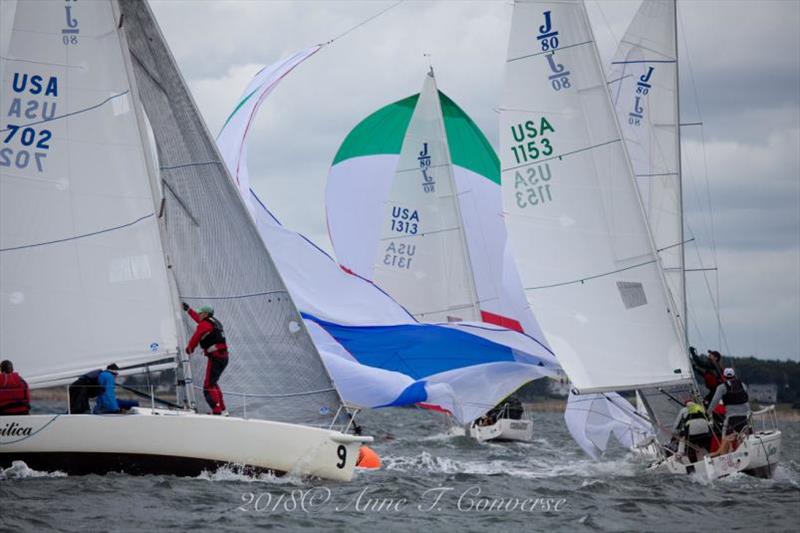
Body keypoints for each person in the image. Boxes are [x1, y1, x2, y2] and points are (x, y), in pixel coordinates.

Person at [183, 303, 229, 415]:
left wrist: (189, 349)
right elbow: (198, 320)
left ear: (205, 314)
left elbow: (196, 337)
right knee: (213, 383)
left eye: (200, 312)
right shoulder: (213, 322)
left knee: (208, 385)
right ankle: (223, 410)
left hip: (216, 357)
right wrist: (188, 310)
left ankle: (216, 411)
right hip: (223, 357)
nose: (198, 314)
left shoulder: (204, 325)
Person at [69, 364, 138, 414]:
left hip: (77, 388)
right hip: (79, 390)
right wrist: (115, 410)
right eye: (116, 375)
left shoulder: (103, 374)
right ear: (115, 373)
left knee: (78, 410)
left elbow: (102, 393)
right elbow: (108, 393)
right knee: (80, 410)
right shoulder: (108, 377)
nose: (116, 377)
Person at [706, 367, 751, 436]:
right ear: (734, 375)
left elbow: (714, 401)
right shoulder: (742, 384)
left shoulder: (722, 387)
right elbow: (746, 398)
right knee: (744, 436)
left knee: (725, 437)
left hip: (731, 418)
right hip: (745, 416)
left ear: (723, 376)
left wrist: (708, 413)